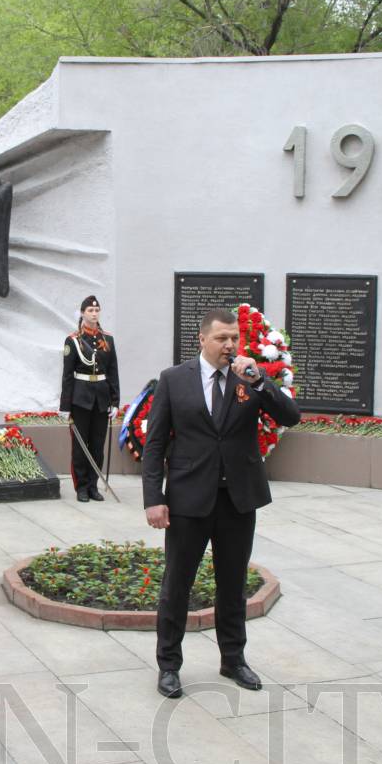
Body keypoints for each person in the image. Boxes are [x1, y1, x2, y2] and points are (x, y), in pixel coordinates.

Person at [142, 307, 301, 699]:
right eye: (221, 338)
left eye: (234, 338)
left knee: (232, 584)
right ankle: (169, 666)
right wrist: (153, 499)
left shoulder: (249, 378)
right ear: (202, 339)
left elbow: (290, 416)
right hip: (189, 501)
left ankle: (233, 659)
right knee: (177, 585)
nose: (230, 345)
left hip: (237, 500)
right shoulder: (174, 380)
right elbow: (155, 444)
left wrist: (260, 380)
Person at [61, 295, 120, 502]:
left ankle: (93, 486)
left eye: (97, 310)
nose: (94, 314)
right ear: (83, 313)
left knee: (97, 444)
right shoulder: (73, 340)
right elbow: (67, 376)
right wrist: (65, 406)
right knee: (80, 446)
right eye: (90, 311)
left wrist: (115, 401)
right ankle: (81, 487)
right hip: (80, 398)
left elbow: (112, 372)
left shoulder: (108, 339)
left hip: (101, 399)